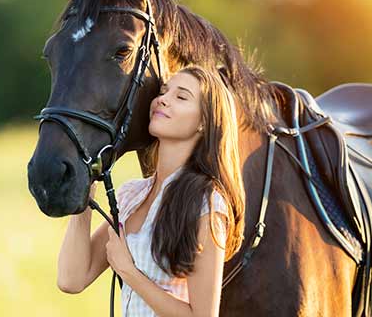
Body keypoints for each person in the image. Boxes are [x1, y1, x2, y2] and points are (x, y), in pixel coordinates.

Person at [57, 65, 246, 316]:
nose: (162, 100)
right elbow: (72, 279)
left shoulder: (207, 203)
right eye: (164, 92)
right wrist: (84, 196)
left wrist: (129, 272)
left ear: (204, 121)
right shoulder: (132, 196)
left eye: (180, 97)